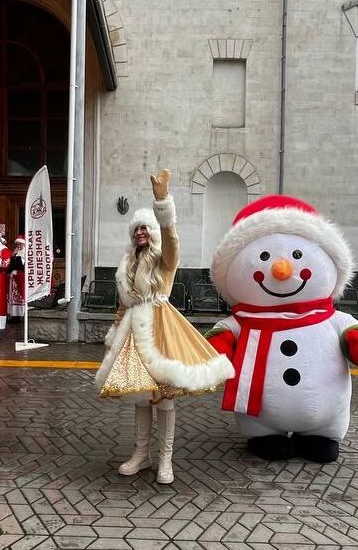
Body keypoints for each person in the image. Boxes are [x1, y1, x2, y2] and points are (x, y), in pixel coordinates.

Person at [95, 169, 234, 483]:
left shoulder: (164, 260)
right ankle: (141, 455)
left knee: (166, 395)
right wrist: (114, 330)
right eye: (137, 229)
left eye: (145, 228)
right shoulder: (127, 263)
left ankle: (165, 460)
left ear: (153, 233)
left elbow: (171, 236)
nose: (140, 233)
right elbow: (123, 302)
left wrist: (162, 201)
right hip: (132, 330)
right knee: (140, 394)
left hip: (161, 327)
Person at [8, 235, 26, 319]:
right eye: (17, 244)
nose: (19, 246)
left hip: (22, 277)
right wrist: (13, 254)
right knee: (14, 296)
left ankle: (20, 314)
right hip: (14, 278)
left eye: (20, 244)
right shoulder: (16, 252)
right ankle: (14, 315)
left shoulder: (26, 252)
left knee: (20, 296)